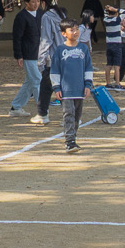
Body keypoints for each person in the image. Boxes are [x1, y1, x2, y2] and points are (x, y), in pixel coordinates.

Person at [45, 19, 94, 154]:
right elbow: (55, 70)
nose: (75, 32)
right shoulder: (60, 50)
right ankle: (69, 141)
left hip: (79, 89)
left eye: (77, 29)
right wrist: (57, 88)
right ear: (63, 33)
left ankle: (73, 138)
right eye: (71, 30)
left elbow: (88, 67)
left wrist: (88, 84)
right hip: (66, 90)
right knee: (68, 114)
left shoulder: (83, 48)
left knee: (77, 115)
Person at [9, 0, 46, 119]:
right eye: (33, 2)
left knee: (29, 83)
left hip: (39, 53)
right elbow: (17, 37)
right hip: (27, 54)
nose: (36, 4)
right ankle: (42, 110)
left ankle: (16, 107)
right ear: (26, 2)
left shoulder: (41, 14)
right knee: (37, 80)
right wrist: (18, 55)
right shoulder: (21, 17)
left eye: (38, 1)